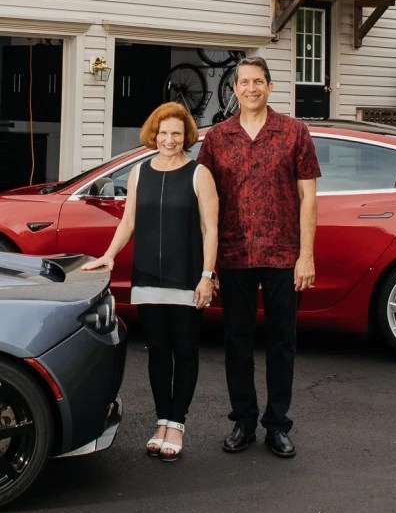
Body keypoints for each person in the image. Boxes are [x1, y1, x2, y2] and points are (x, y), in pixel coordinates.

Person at [197, 56, 319, 459]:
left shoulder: (294, 131)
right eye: (244, 82)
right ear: (234, 89)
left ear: (270, 87)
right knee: (237, 342)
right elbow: (206, 205)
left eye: (258, 81)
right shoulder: (217, 138)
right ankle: (244, 422)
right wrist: (209, 266)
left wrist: (306, 256)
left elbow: (308, 198)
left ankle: (277, 425)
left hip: (283, 254)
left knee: (282, 342)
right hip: (234, 255)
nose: (251, 88)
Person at [84, 101, 218, 461]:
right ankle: (162, 422)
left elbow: (210, 229)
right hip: (147, 276)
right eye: (163, 132)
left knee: (185, 351)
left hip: (187, 277)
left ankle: (178, 424)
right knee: (158, 352)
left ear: (186, 136)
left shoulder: (199, 174)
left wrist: (207, 276)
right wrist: (109, 255)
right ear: (154, 135)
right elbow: (128, 221)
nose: (169, 139)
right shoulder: (140, 172)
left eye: (176, 133)